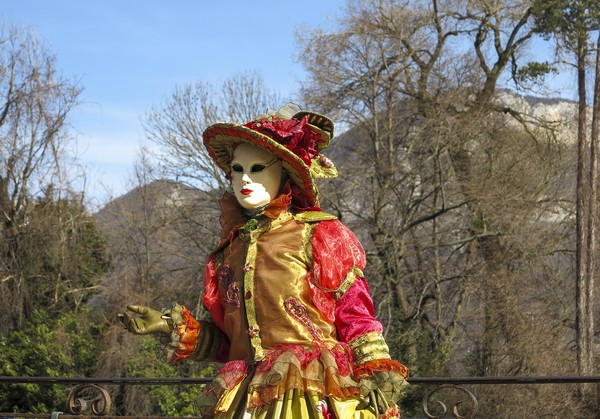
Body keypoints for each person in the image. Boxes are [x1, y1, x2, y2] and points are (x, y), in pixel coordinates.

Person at [118, 104, 409, 418]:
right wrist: (172, 328)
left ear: (284, 171)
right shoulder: (228, 253)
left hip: (311, 393)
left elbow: (355, 313)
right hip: (245, 396)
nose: (244, 179)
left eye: (257, 168)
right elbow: (232, 343)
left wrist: (375, 367)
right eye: (238, 169)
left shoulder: (319, 234)